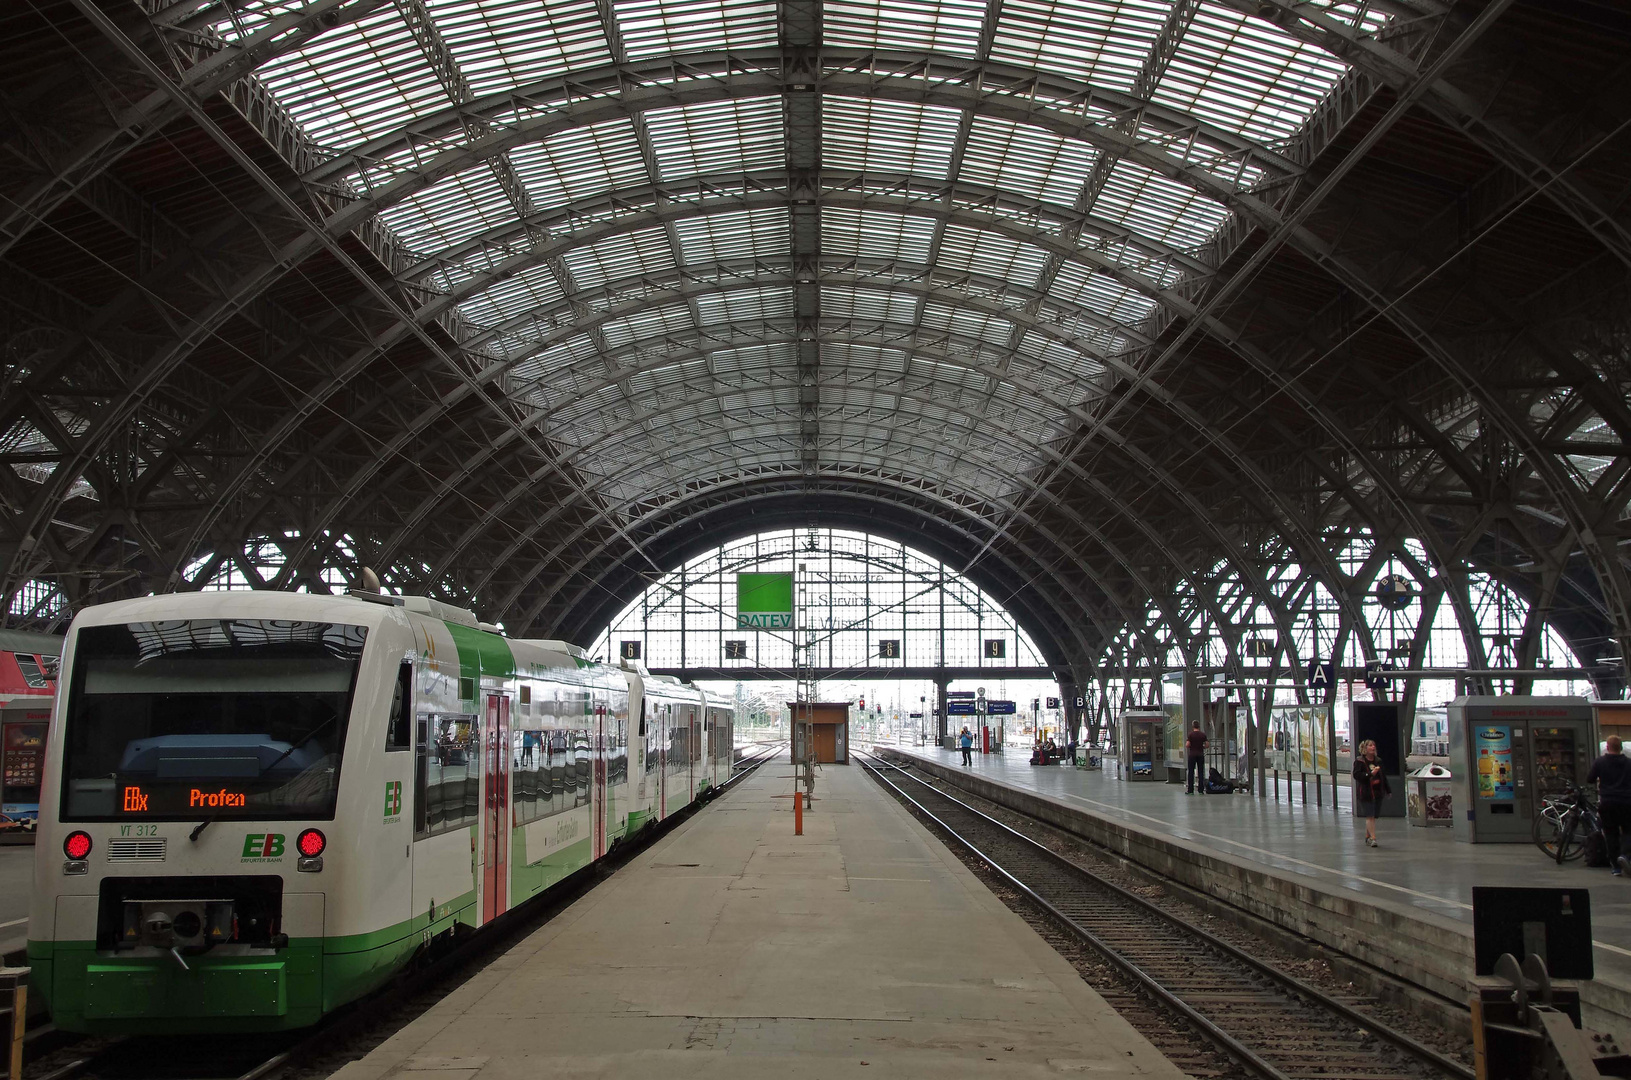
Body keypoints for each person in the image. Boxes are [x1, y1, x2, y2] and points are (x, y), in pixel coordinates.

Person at [1587, 735, 1631, 876]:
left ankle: (1616, 867)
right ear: (1621, 748)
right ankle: (1625, 855)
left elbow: (1590, 779)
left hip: (1607, 802)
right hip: (1626, 802)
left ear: (1607, 747)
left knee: (1610, 833)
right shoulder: (1629, 763)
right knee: (1628, 831)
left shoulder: (1600, 762)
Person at [1352, 739, 1390, 846]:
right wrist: (1370, 774)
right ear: (1364, 748)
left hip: (1377, 791)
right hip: (1366, 792)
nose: (1373, 747)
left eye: (1374, 745)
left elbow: (1383, 777)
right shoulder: (1360, 761)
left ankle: (1367, 836)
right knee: (1370, 815)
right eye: (1370, 745)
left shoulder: (1378, 761)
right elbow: (1357, 775)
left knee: (1373, 815)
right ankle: (1373, 838)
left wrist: (1388, 790)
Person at [1185, 721, 1208, 794]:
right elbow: (1207, 744)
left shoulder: (1190, 734)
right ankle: (1201, 790)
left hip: (1192, 755)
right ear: (1199, 726)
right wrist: (1202, 747)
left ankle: (1190, 790)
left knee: (1191, 772)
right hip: (1200, 754)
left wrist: (1192, 746)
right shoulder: (1203, 735)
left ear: (1193, 726)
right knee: (1201, 772)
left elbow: (1187, 745)